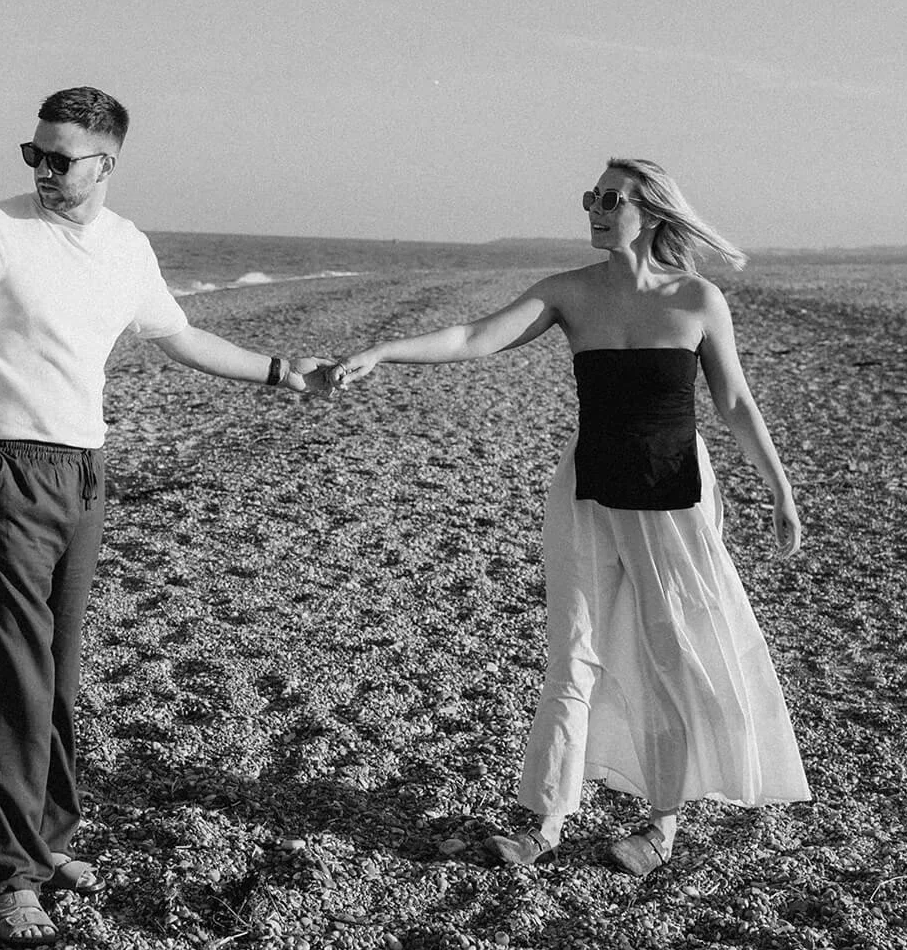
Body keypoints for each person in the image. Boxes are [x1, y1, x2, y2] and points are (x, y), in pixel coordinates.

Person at [0, 86, 326, 948]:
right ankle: (7, 876)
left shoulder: (125, 245)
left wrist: (281, 371)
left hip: (85, 473)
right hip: (11, 467)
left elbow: (178, 336)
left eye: (60, 159)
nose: (43, 171)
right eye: (34, 154)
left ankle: (50, 840)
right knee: (11, 677)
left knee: (58, 672)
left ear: (107, 163)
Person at [330, 158, 809, 875]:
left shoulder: (697, 300)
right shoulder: (570, 293)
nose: (593, 207)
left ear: (650, 212)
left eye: (609, 198)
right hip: (587, 492)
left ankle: (662, 825)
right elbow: (473, 337)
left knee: (670, 656)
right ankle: (541, 820)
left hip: (671, 497)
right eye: (591, 196)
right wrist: (382, 352)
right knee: (573, 654)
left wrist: (780, 489)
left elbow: (734, 404)